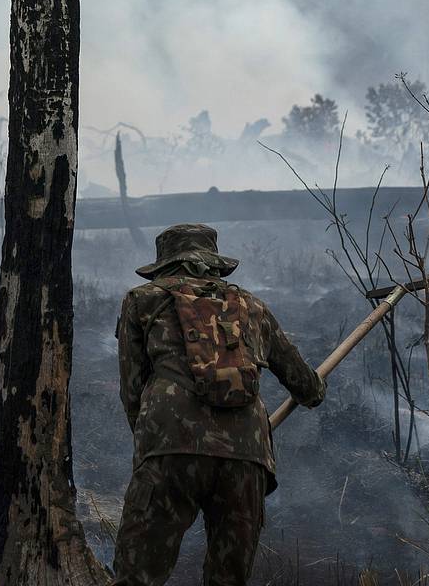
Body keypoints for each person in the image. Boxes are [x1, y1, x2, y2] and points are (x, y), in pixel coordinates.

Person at [110, 222, 326, 586]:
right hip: (246, 458)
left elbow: (132, 389)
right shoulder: (252, 307)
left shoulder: (142, 300)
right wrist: (316, 388)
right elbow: (306, 387)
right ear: (214, 263)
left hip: (171, 448)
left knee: (136, 577)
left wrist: (154, 445)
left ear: (165, 265)